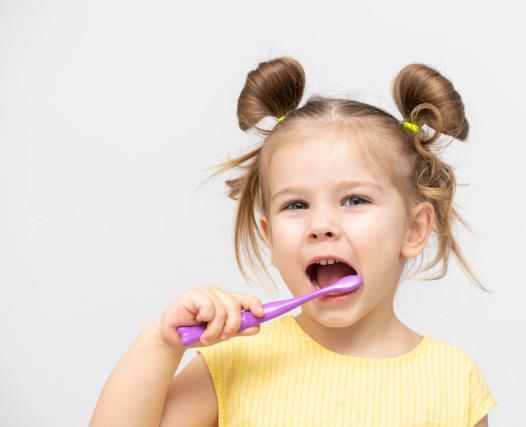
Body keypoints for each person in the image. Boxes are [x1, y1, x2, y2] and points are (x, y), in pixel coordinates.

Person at [90, 56, 497, 427]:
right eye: (296, 205)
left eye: (354, 200)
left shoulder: (452, 380)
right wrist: (161, 345)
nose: (321, 225)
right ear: (269, 236)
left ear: (414, 229)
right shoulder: (235, 359)